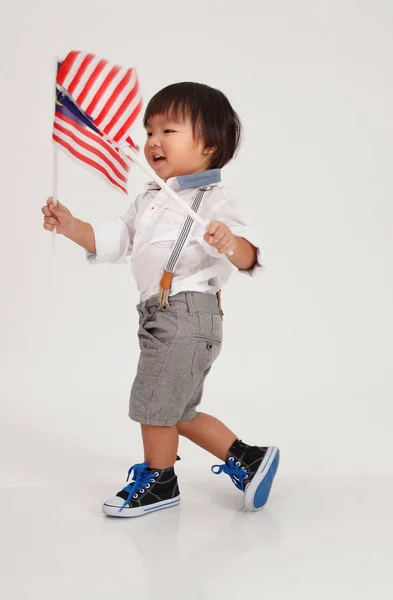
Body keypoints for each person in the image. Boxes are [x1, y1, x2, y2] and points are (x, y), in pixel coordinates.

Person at [41, 82, 280, 517]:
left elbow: (250, 256)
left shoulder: (214, 200)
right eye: (149, 130)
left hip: (187, 314)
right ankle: (249, 458)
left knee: (153, 404)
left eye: (168, 130)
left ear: (208, 143)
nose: (153, 140)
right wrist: (72, 225)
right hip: (160, 314)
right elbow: (116, 240)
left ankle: (161, 481)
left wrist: (229, 242)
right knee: (177, 409)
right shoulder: (150, 198)